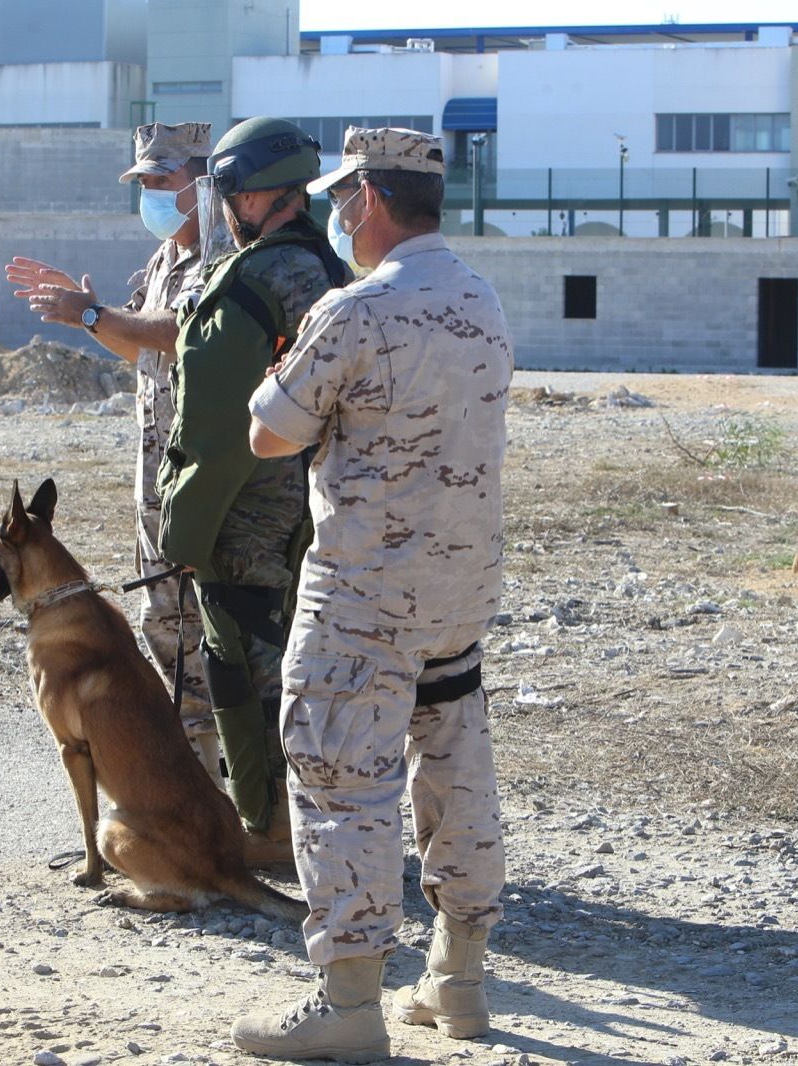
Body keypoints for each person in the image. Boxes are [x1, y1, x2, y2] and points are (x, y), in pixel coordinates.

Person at [232, 126, 512, 1062]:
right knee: (454, 769)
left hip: (364, 596)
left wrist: (281, 376)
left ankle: (349, 1003)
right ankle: (459, 979)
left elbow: (270, 434)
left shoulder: (358, 312)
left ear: (372, 203)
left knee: (341, 783)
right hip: (457, 591)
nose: (338, 215)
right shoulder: (482, 299)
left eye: (344, 199)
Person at [156, 117, 348, 864]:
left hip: (247, 529)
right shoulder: (331, 276)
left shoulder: (245, 283)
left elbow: (212, 436)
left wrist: (182, 541)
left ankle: (267, 831)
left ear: (244, 195)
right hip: (320, 521)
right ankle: (322, 821)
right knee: (311, 674)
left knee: (241, 670)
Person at [4, 122, 219, 776]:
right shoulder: (163, 262)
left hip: (204, 484)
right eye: (144, 182)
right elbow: (140, 345)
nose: (152, 193)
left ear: (202, 181)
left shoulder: (223, 253)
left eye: (163, 179)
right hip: (157, 485)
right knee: (169, 636)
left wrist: (93, 315)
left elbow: (180, 329)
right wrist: (92, 313)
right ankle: (198, 793)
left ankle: (235, 805)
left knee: (213, 642)